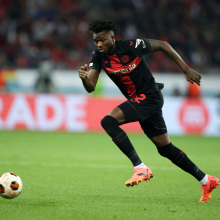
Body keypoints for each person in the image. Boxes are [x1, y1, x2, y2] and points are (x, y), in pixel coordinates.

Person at [78, 18, 219, 202]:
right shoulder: (98, 55)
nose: (99, 44)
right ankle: (206, 180)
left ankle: (140, 167)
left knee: (108, 121)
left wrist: (185, 69)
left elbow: (163, 45)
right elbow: (91, 86)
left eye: (103, 39)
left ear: (113, 37)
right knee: (165, 149)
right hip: (140, 101)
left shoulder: (131, 46)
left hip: (150, 96)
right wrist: (83, 78)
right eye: (96, 41)